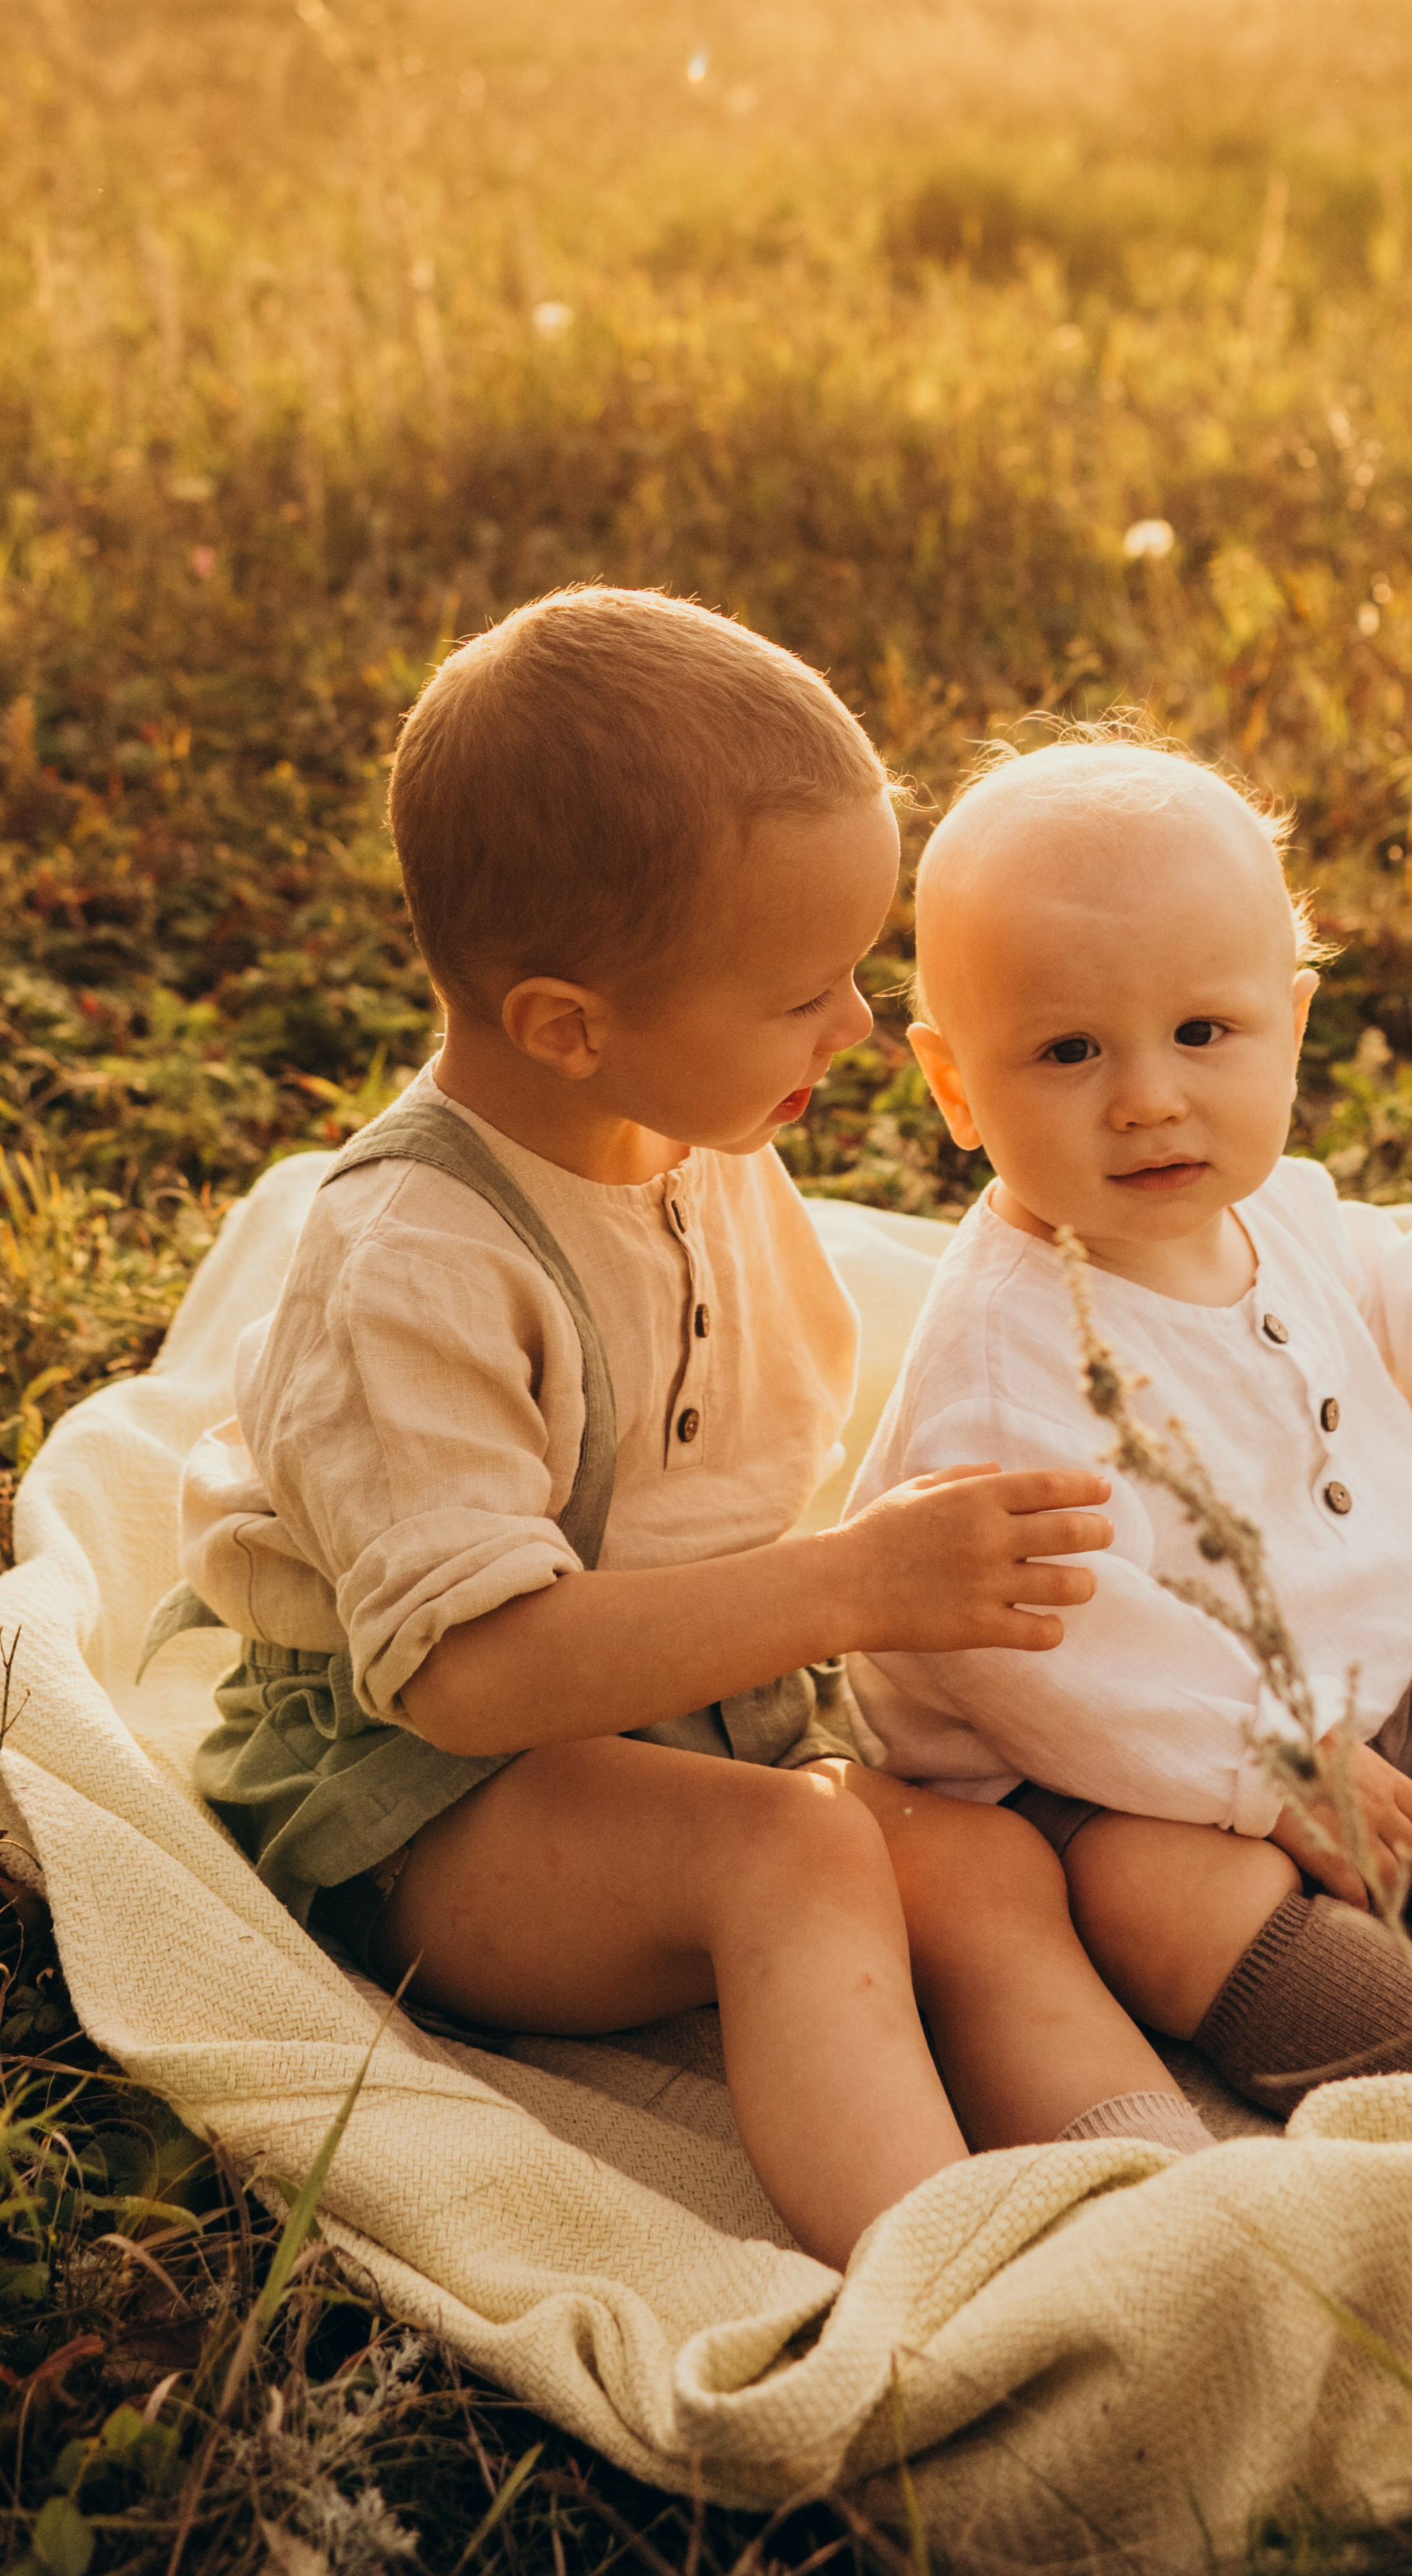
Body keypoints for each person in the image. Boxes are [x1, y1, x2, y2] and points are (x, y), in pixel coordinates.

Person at [163, 592, 1223, 2275]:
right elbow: (473, 1676)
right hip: (425, 1806)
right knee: (795, 1857)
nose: (860, 1028)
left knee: (970, 1863)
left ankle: (1163, 2201)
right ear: (570, 1025)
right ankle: (946, 2274)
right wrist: (848, 1588)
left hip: (681, 1728)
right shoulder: (413, 1268)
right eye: (804, 993)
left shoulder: (684, 1129)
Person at [845, 729, 1412, 2105]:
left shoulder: (1260, 1199)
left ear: (1287, 1022)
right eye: (1066, 1051)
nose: (1149, 1096)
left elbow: (1352, 1268)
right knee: (1151, 1895)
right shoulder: (1006, 1364)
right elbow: (1048, 1649)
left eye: (1200, 1034)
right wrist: (1260, 1764)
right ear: (954, 1088)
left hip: (1352, 1667)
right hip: (1117, 1761)